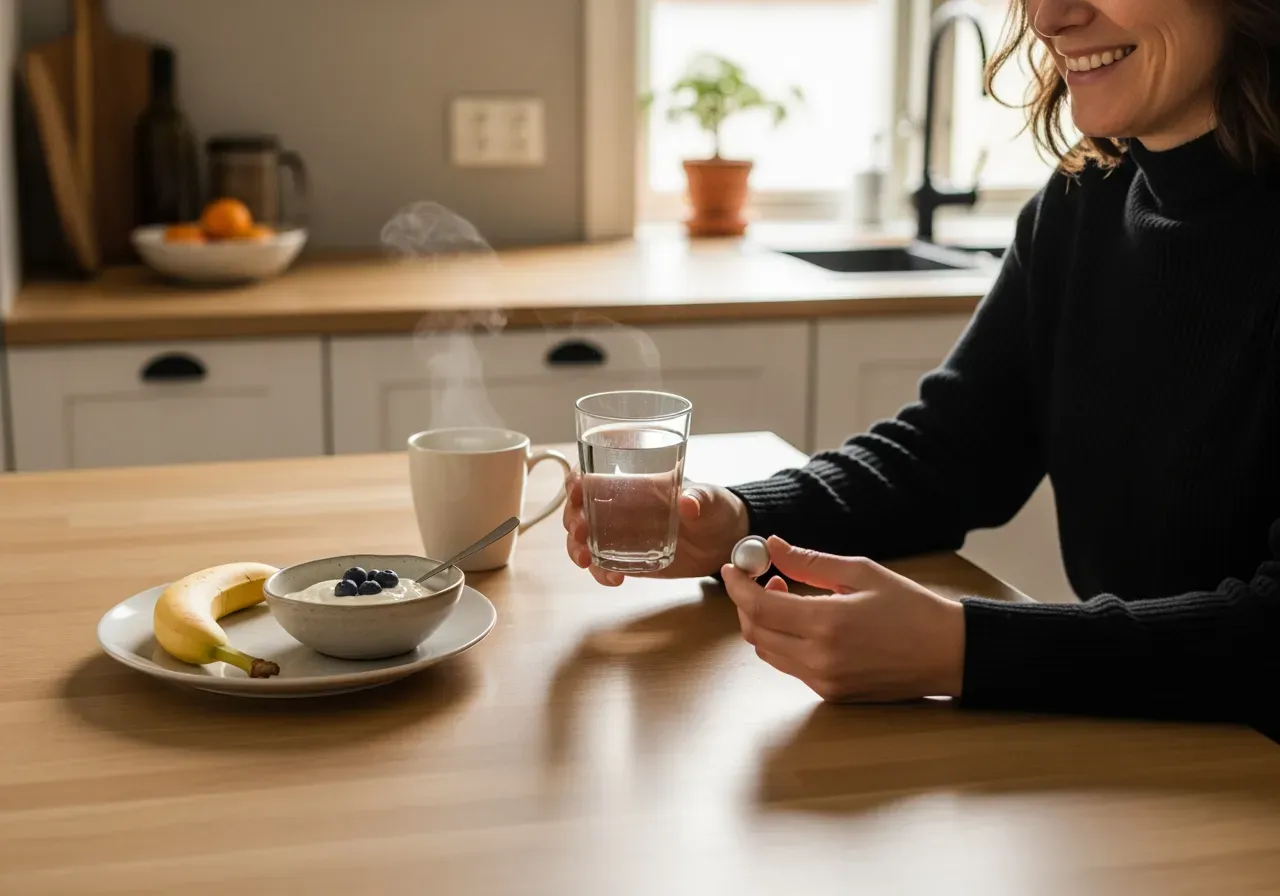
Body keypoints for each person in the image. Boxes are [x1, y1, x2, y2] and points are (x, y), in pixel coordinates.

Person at [564, 0, 1280, 737]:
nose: (1047, 17)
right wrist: (736, 521)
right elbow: (949, 455)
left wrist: (960, 649)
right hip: (1158, 757)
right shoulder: (1082, 204)